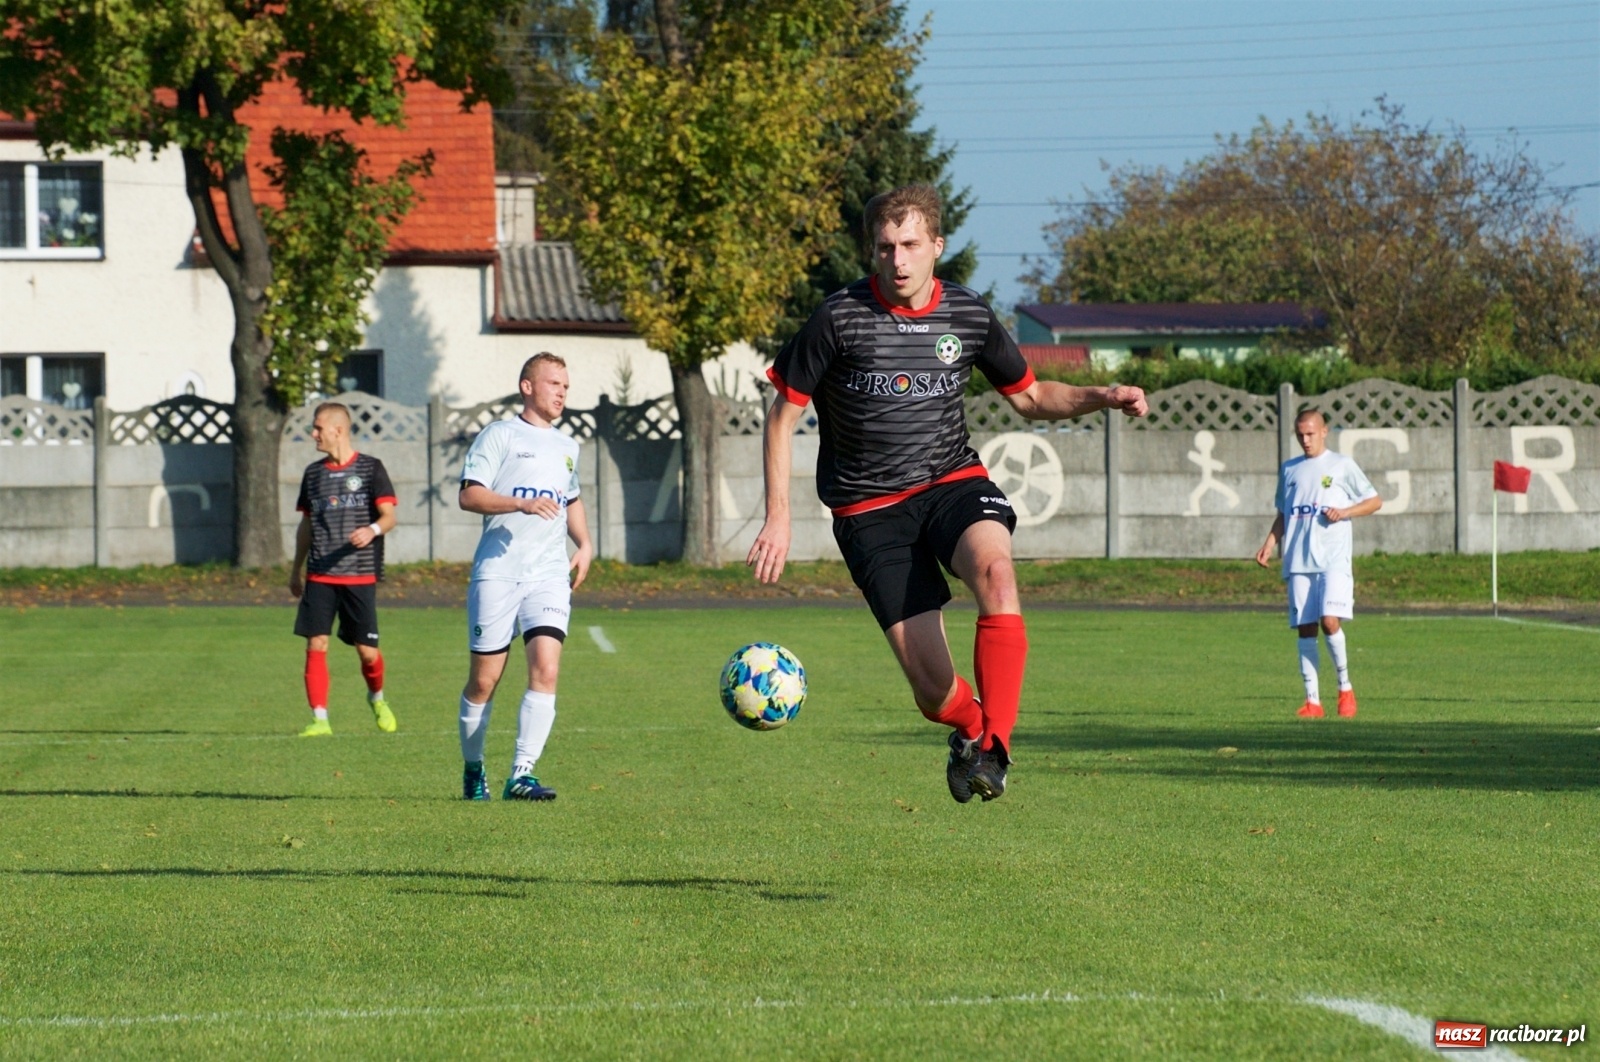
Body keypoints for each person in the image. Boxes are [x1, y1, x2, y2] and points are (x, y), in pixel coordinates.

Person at [748, 183, 1148, 803]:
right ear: (871, 251)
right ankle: (968, 730)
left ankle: (995, 749)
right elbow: (782, 417)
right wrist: (778, 517)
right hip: (869, 510)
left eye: (910, 244)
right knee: (934, 693)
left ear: (937, 244)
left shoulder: (967, 313)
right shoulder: (838, 317)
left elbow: (1031, 397)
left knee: (996, 570)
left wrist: (1103, 396)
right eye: (884, 248)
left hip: (951, 481)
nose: (898, 261)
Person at [456, 353, 593, 801]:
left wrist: (585, 543)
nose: (561, 393)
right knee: (484, 681)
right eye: (554, 383)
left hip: (549, 574)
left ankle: (522, 773)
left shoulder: (568, 447)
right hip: (498, 573)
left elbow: (569, 498)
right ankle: (474, 768)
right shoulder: (499, 436)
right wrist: (519, 503)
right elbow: (469, 495)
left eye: (566, 386)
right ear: (527, 386)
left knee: (546, 668)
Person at [1254, 409, 1382, 718]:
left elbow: (1374, 501)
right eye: (1300, 434)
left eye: (1310, 434)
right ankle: (1312, 702)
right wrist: (1270, 543)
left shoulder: (1342, 465)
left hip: (1333, 559)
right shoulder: (1290, 469)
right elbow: (1285, 513)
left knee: (1329, 620)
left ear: (1324, 431)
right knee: (1306, 628)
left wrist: (1346, 512)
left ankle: (1345, 688)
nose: (1305, 440)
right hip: (1299, 560)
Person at [288, 402, 399, 737]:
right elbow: (306, 525)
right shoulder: (313, 474)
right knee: (316, 644)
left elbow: (389, 516)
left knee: (367, 653)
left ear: (338, 430)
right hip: (320, 574)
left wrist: (373, 530)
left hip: (359, 575)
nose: (313, 434)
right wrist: (296, 568)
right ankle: (319, 718)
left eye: (318, 428)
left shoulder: (370, 469)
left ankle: (377, 698)